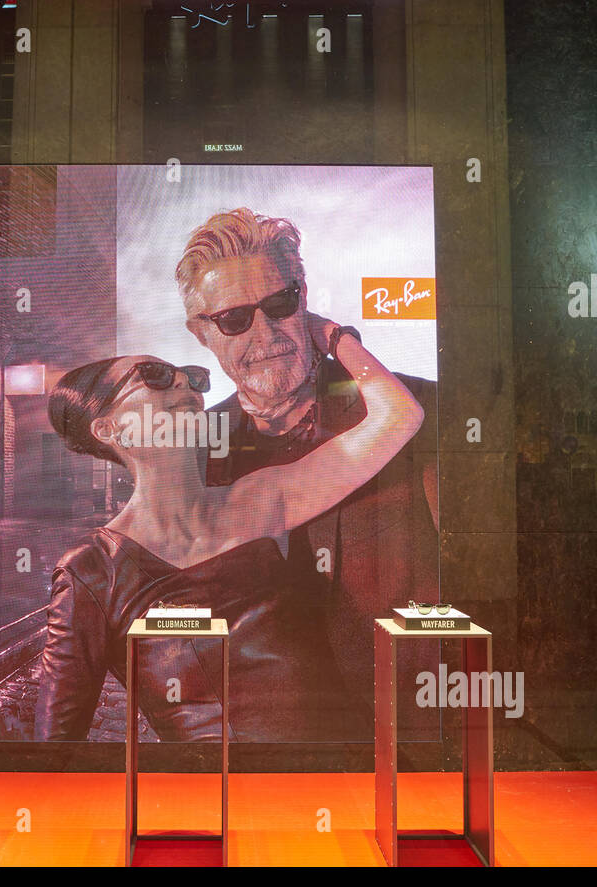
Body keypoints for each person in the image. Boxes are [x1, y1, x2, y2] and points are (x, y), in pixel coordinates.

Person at [33, 313, 424, 742]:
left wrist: (333, 337)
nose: (184, 383)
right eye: (155, 375)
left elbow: (399, 415)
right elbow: (55, 748)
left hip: (342, 780)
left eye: (193, 377)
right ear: (108, 428)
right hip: (227, 801)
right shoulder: (91, 572)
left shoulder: (258, 501)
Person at [178, 208, 440, 720]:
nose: (266, 333)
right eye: (234, 319)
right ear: (200, 334)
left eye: (280, 303)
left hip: (400, 738)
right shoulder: (192, 453)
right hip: (265, 754)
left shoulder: (422, 409)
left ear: (304, 297)